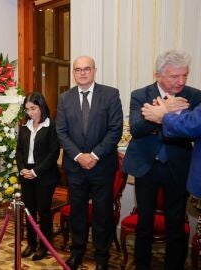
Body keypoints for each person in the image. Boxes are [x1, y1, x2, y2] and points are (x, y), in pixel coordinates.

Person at [123, 49, 201, 270]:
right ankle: (141, 265)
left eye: (185, 75)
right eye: (174, 76)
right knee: (144, 221)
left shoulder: (195, 96)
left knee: (176, 223)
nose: (181, 81)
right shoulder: (141, 94)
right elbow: (137, 129)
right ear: (159, 75)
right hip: (146, 165)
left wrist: (160, 116)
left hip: (178, 166)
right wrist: (165, 111)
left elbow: (193, 131)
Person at [56, 56, 123, 270]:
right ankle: (77, 253)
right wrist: (79, 156)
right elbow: (61, 132)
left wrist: (93, 156)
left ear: (94, 71)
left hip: (102, 166)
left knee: (102, 213)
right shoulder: (64, 98)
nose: (82, 73)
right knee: (77, 212)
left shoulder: (110, 94)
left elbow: (115, 130)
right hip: (75, 168)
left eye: (87, 69)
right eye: (78, 69)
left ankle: (102, 257)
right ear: (73, 73)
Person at [15, 92, 59, 261]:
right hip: (26, 173)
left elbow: (53, 153)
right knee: (29, 211)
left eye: (33, 108)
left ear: (41, 106)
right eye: (27, 109)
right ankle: (31, 243)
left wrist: (35, 172)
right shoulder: (24, 126)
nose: (30, 113)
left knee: (43, 211)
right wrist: (22, 170)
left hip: (45, 175)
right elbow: (19, 151)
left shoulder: (51, 126)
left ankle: (44, 246)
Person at [142, 101, 201, 198]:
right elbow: (196, 120)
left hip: (179, 165)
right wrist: (175, 112)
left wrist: (164, 116)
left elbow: (194, 124)